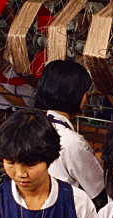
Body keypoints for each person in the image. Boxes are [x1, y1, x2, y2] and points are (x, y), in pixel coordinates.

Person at [32, 60, 104, 200]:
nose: (86, 97)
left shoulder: (35, 126)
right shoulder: (71, 141)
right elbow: (98, 187)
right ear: (75, 95)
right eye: (84, 92)